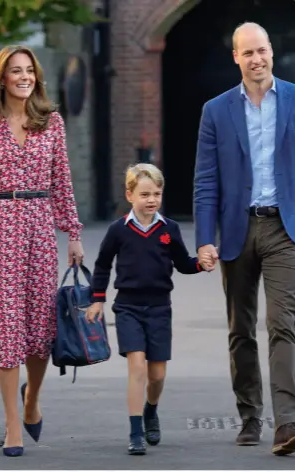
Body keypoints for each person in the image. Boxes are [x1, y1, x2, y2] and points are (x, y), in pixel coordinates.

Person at [193, 22, 295, 456]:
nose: (256, 59)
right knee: (241, 330)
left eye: (262, 51)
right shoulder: (215, 111)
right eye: (247, 53)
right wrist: (204, 239)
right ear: (235, 58)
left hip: (285, 227)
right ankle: (250, 415)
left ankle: (288, 423)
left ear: (271, 52)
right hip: (236, 230)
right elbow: (205, 181)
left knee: (283, 325)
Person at [0, 45, 84, 457]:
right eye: (15, 71)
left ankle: (31, 400)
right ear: (1, 79)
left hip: (41, 227)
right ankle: (12, 424)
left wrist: (72, 233)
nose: (24, 77)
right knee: (7, 327)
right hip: (3, 226)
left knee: (40, 331)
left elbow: (62, 181)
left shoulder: (52, 123)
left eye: (29, 70)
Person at [85, 163, 204, 455]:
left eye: (157, 194)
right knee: (136, 365)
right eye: (144, 194)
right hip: (127, 307)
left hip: (160, 307)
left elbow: (184, 264)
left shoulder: (169, 229)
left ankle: (151, 410)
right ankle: (135, 431)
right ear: (130, 195)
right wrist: (97, 298)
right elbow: (102, 265)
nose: (151, 200)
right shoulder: (118, 230)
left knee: (157, 374)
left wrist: (202, 263)